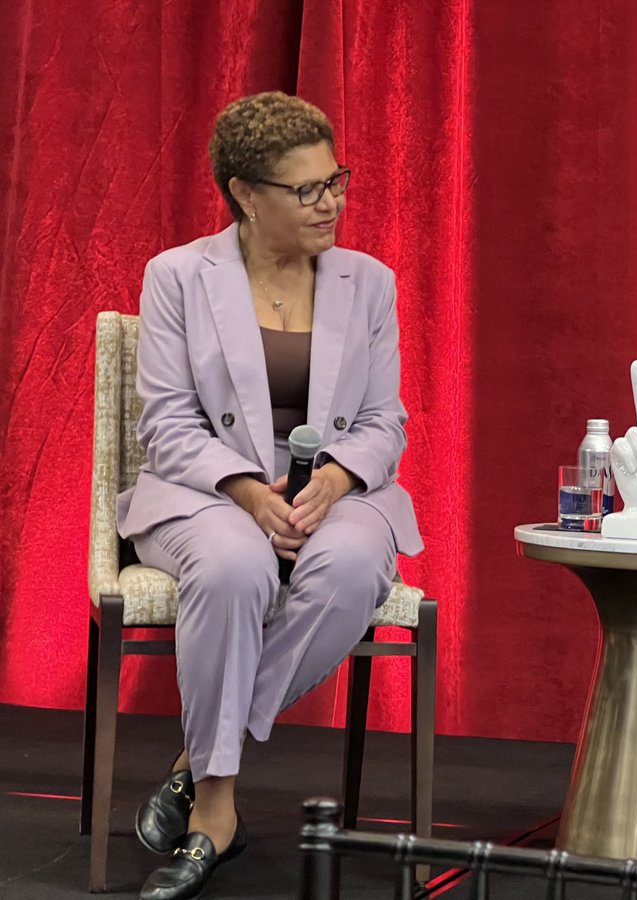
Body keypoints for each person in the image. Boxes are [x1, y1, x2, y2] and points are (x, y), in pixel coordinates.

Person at [116, 91, 423, 900]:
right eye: (308, 190)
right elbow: (169, 424)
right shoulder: (178, 276)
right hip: (205, 490)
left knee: (356, 567)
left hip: (335, 493)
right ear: (246, 194)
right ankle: (216, 808)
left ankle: (198, 763)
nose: (332, 203)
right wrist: (249, 491)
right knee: (232, 569)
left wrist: (336, 478)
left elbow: (387, 419)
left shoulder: (371, 282)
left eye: (337, 181)